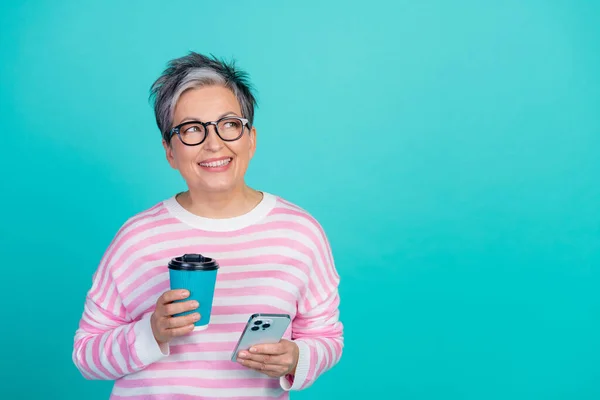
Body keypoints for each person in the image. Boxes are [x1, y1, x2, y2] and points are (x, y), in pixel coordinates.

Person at [72, 52, 344, 399]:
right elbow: (85, 356)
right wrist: (151, 332)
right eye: (191, 129)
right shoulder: (137, 238)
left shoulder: (300, 233)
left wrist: (296, 358)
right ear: (170, 151)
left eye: (229, 124)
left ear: (251, 139)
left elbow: (327, 339)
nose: (213, 143)